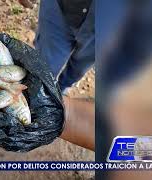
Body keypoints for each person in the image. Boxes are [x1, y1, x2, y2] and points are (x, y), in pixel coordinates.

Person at [19, 0, 95, 151]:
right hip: (60, 8)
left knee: (78, 69)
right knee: (43, 65)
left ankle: (61, 89)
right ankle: (43, 93)